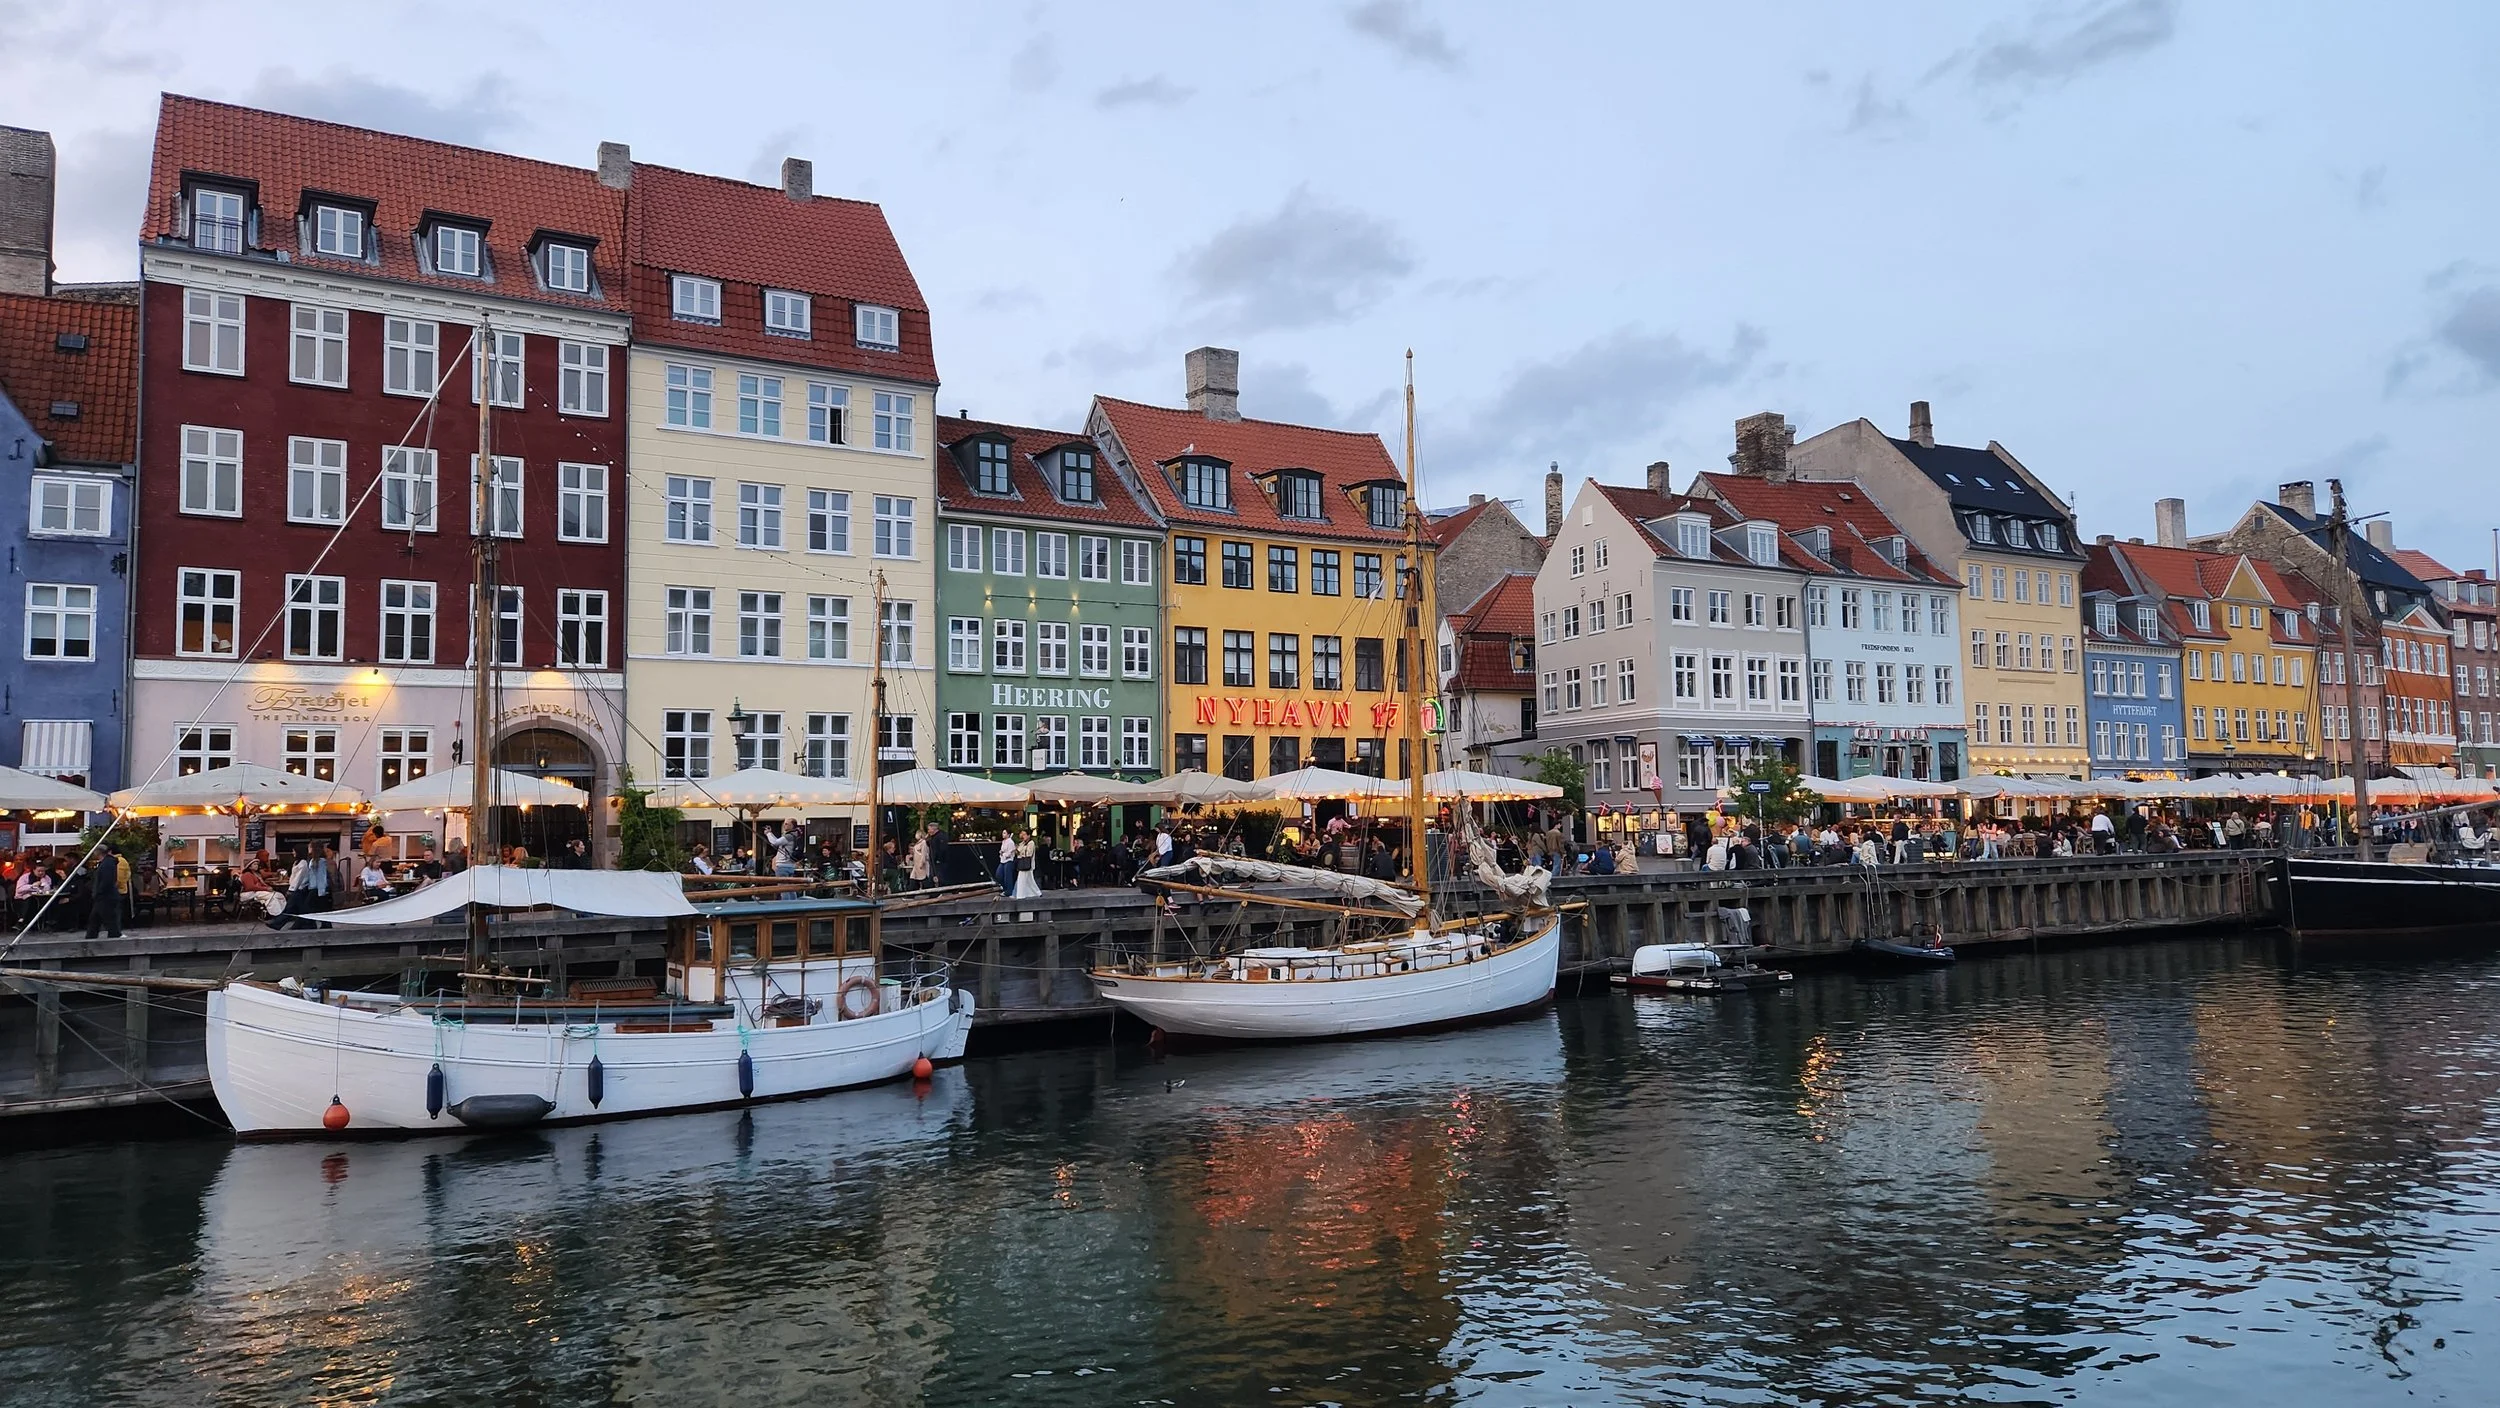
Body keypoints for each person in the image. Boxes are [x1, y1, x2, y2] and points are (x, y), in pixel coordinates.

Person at [83, 849, 132, 939]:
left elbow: (107, 880)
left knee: (108, 916)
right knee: (96, 917)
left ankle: (114, 934)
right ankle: (91, 935)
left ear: (99, 853)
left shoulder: (107, 864)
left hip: (106, 896)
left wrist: (99, 891)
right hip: (104, 895)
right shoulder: (105, 863)